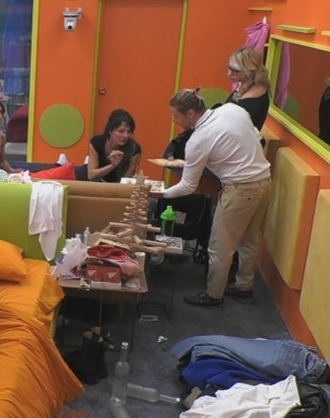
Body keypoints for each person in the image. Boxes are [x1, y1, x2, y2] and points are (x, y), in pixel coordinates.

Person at [162, 89, 271, 308]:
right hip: (264, 181)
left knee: (220, 244)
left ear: (190, 113)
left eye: (176, 116)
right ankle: (244, 286)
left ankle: (214, 294)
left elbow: (188, 186)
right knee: (249, 239)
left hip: (239, 189)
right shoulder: (232, 109)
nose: (175, 121)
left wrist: (160, 193)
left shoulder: (198, 139)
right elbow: (256, 136)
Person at [86, 109, 142, 182]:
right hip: (91, 181)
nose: (125, 135)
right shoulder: (97, 142)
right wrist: (112, 165)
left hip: (116, 185)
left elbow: (126, 181)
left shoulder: (134, 149)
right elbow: (91, 176)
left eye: (129, 132)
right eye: (121, 131)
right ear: (110, 130)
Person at [225, 46, 271, 131]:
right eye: (229, 68)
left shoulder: (249, 104)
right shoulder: (245, 85)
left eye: (236, 71)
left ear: (249, 71)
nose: (229, 74)